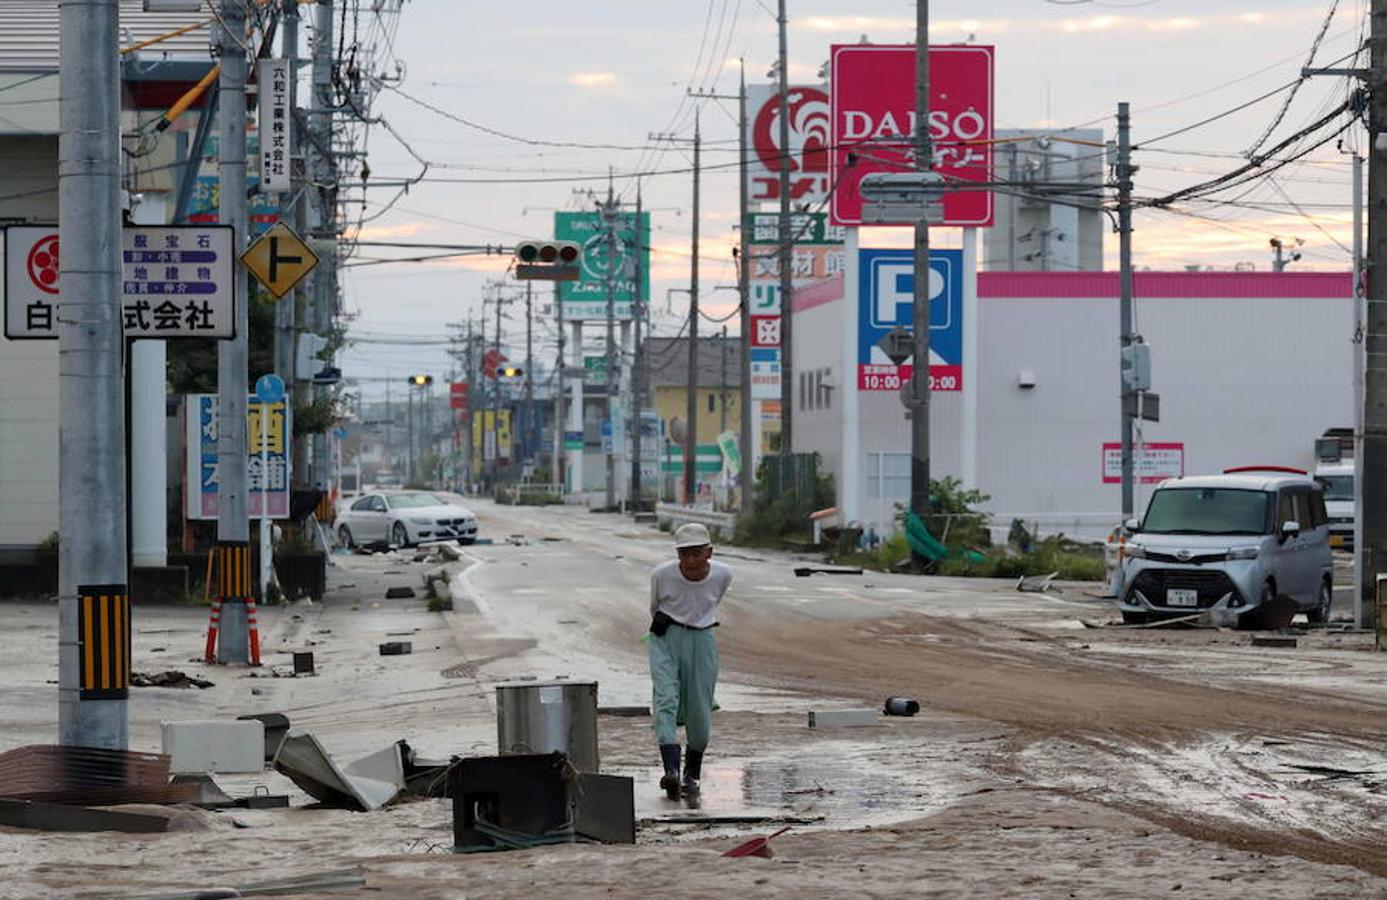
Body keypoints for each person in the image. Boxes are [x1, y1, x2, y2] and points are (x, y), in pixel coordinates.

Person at [647, 522, 732, 799]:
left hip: (702, 639)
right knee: (665, 699)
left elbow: (711, 601)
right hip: (666, 638)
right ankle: (670, 771)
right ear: (677, 555)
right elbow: (655, 606)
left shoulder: (722, 575)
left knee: (699, 706)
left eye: (697, 553)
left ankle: (691, 775)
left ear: (709, 553)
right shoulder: (662, 575)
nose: (691, 561)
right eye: (685, 554)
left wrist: (696, 622)